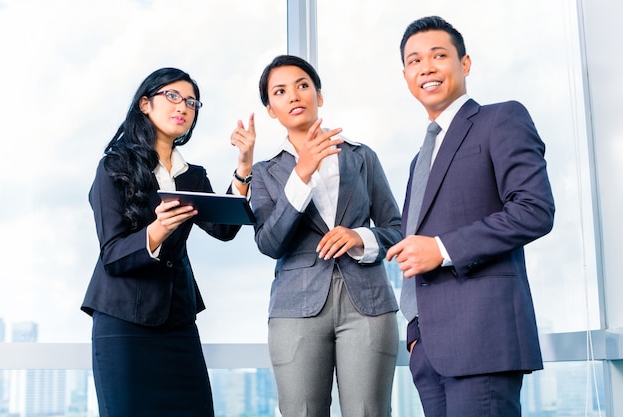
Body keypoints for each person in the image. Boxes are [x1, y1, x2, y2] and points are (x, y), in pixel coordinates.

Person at [385, 16, 555, 417]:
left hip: (482, 339)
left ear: (465, 64)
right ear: (406, 75)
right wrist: (414, 335)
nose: (426, 67)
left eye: (438, 55)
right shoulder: (419, 158)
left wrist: (442, 249)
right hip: (428, 349)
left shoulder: (501, 119)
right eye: (414, 61)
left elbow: (535, 209)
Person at [81, 67, 255, 417]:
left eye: (191, 102)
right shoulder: (113, 167)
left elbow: (224, 229)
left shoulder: (191, 175)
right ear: (145, 104)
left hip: (177, 322)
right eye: (172, 96)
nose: (184, 107)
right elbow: (112, 255)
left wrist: (244, 166)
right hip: (123, 321)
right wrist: (156, 231)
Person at [246, 54, 401, 417]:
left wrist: (361, 237)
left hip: (368, 304)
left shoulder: (362, 157)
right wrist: (300, 177)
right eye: (280, 91)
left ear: (320, 95)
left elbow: (396, 229)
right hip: (294, 308)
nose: (294, 96)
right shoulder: (266, 173)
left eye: (303, 85)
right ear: (271, 109)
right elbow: (269, 243)